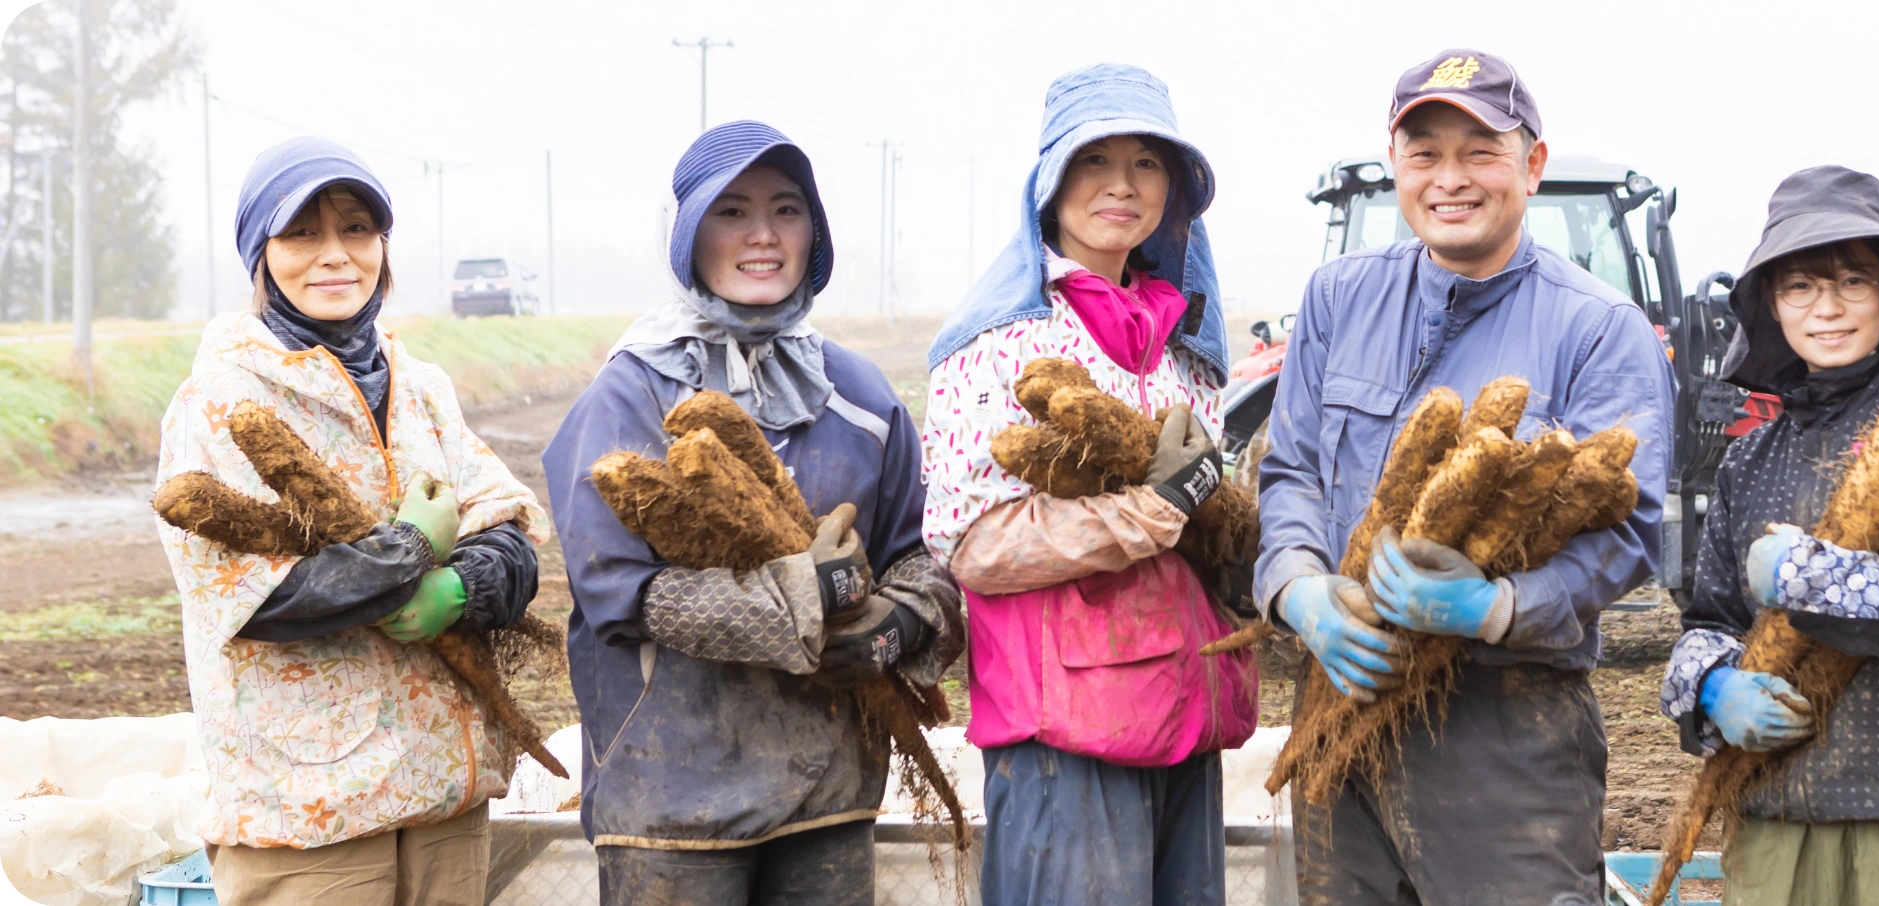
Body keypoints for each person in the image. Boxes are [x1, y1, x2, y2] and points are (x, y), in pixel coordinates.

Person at [1254, 49, 1673, 903]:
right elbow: (1290, 472)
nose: (1451, 178)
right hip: (1340, 702)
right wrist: (1298, 589)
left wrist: (1497, 608)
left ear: (1533, 164)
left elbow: (1629, 536)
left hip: (1503, 728)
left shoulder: (1599, 329)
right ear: (1395, 165)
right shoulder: (1336, 299)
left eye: (1480, 150)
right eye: (1425, 153)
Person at [541, 121, 963, 906]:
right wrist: (802, 601)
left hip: (830, 794)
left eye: (787, 210)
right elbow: (620, 591)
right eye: (732, 212)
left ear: (816, 234)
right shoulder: (632, 393)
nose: (763, 235)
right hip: (672, 802)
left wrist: (901, 624)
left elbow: (921, 553)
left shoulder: (861, 396)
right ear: (690, 237)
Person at [155, 138, 548, 906]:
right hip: (311, 813)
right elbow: (254, 596)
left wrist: (462, 587)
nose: (334, 255)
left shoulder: (424, 388)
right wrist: (410, 550)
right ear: (260, 255)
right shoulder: (221, 401)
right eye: (302, 233)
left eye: (357, 230)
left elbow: (510, 530)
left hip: (444, 797)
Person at [920, 63, 1258, 906]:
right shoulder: (997, 343)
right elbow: (973, 544)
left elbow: (1210, 518)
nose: (1121, 185)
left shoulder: (1184, 349)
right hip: (1066, 736)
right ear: (1050, 182)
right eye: (1093, 161)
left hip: (1186, 721)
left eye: (1147, 163)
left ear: (1174, 190)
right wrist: (1155, 508)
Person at [1658, 167, 1879, 905]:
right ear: (1772, 304)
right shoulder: (1752, 454)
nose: (1827, 308)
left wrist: (1812, 578)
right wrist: (1711, 687)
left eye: (1853, 282)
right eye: (1799, 287)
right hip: (1776, 810)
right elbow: (1708, 621)